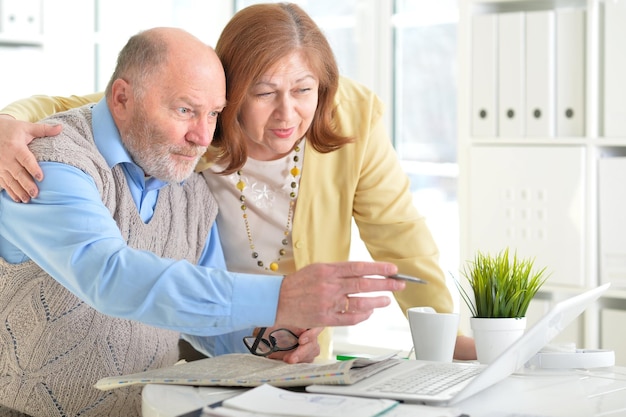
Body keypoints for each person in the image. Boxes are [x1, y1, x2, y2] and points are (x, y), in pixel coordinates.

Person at [0, 3, 476, 361]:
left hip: (262, 344)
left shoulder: (346, 120)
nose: (288, 114)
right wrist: (5, 123)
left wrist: (444, 338)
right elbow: (94, 107)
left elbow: (401, 237)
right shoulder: (180, 147)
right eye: (264, 92)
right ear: (231, 89)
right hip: (188, 345)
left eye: (304, 90)